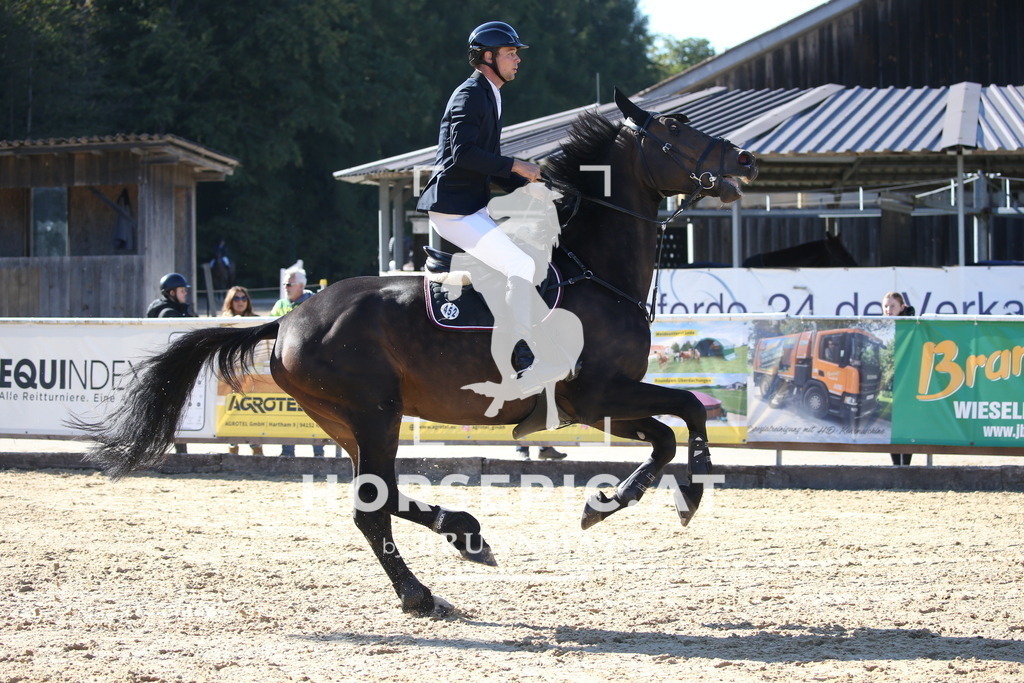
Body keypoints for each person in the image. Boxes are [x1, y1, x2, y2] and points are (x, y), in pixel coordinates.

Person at [416, 22, 558, 390]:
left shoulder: (490, 93)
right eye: (511, 54)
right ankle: (522, 356)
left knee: (532, 251)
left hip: (473, 205)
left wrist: (530, 182)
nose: (518, 60)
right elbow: (463, 154)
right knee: (519, 263)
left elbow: (484, 161)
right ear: (488, 57)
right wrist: (514, 166)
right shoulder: (470, 95)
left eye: (516, 54)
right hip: (453, 210)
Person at [270, 266, 323, 457]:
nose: (285, 287)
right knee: (290, 411)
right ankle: (287, 450)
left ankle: (318, 451)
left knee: (317, 410)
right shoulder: (280, 305)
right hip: (288, 366)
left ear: (301, 285)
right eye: (284, 283)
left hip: (312, 366)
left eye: (289, 283)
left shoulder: (315, 301)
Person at [146, 272, 196, 453]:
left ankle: (180, 450)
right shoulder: (168, 313)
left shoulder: (179, 309)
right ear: (171, 293)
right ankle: (177, 451)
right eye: (182, 290)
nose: (185, 294)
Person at [220, 286, 263, 457]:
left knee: (255, 413)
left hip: (253, 373)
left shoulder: (258, 320)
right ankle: (232, 449)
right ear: (230, 301)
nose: (240, 302)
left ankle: (257, 449)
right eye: (236, 298)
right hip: (231, 374)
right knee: (232, 412)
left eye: (243, 298)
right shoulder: (223, 321)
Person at [883, 291, 915, 466]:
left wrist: (909, 313)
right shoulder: (884, 327)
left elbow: (913, 326)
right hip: (892, 383)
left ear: (902, 307)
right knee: (892, 426)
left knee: (906, 425)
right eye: (886, 306)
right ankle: (896, 466)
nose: (888, 309)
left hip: (908, 382)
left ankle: (906, 466)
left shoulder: (908, 323)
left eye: (892, 306)